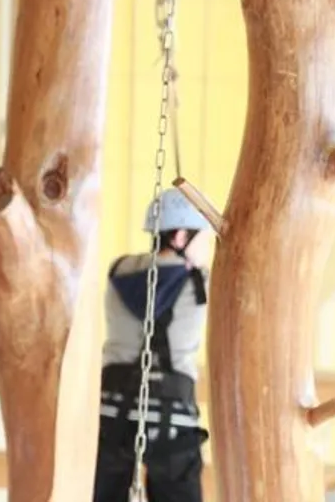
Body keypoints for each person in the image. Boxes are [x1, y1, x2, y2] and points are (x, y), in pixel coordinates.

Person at [93, 188, 213, 502]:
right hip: (171, 422)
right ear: (181, 235)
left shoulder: (118, 271)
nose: (206, 247)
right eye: (202, 238)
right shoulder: (200, 284)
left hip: (111, 413)